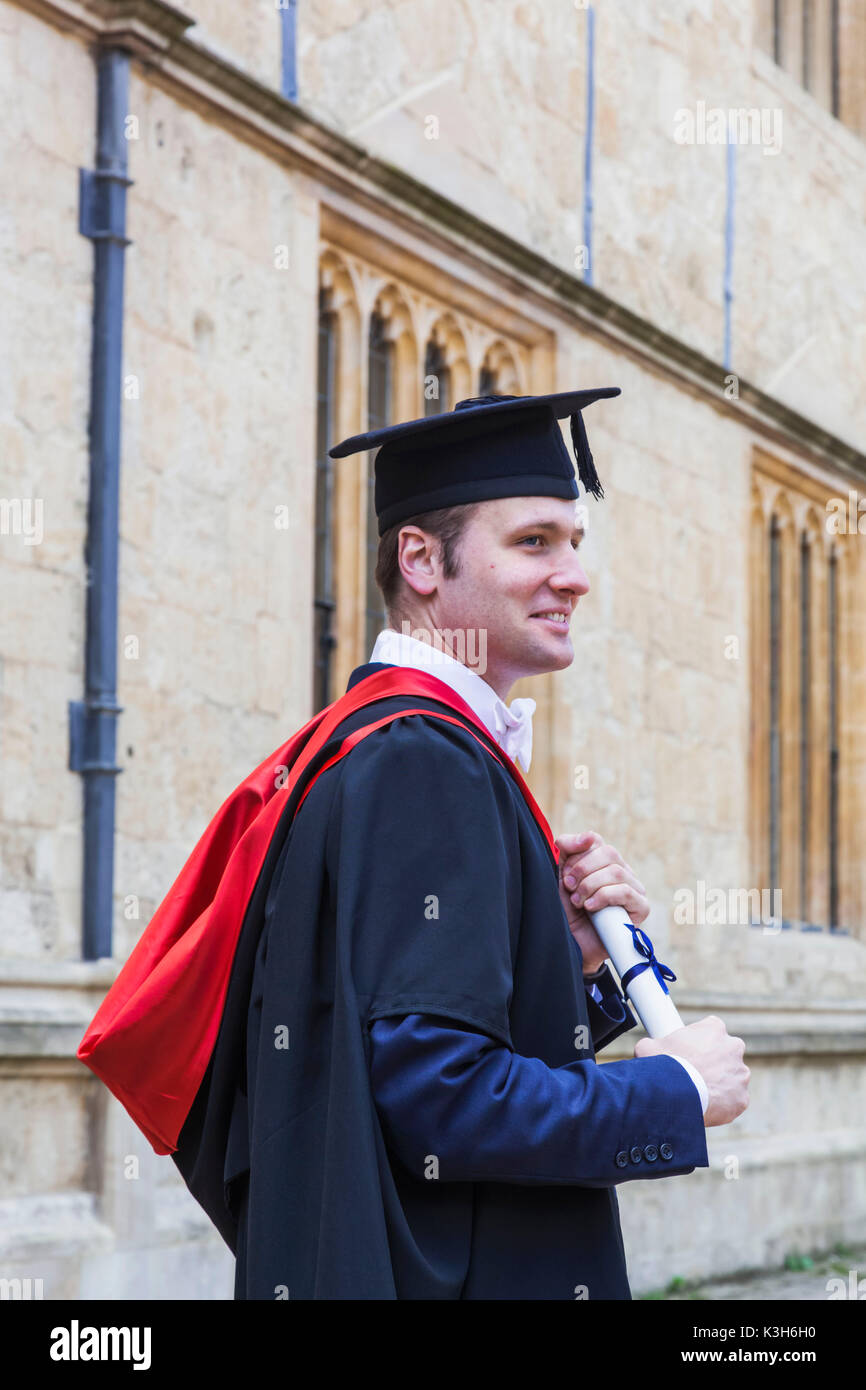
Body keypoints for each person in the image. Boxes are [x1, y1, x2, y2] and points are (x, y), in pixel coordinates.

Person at [79, 389, 750, 1300]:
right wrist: (668, 1092)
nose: (575, 576)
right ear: (422, 558)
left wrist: (575, 968)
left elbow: (385, 1060)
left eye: (574, 543)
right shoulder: (424, 760)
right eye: (534, 542)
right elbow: (440, 1106)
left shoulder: (388, 743)